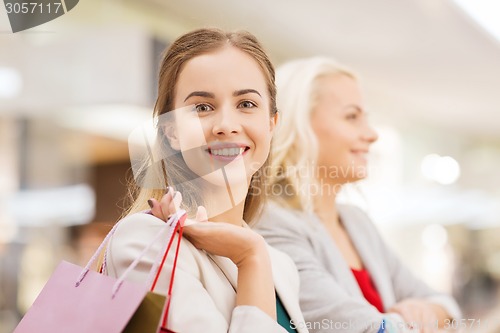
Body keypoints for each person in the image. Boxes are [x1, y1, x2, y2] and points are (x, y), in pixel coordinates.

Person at [103, 28, 307, 333]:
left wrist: (254, 254)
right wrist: (249, 259)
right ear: (171, 130)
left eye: (247, 104)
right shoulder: (145, 241)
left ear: (272, 124)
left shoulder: (280, 265)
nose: (226, 125)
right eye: (202, 107)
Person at [254, 57, 461, 333]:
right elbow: (359, 329)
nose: (372, 134)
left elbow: (449, 308)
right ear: (297, 125)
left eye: (366, 118)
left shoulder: (356, 221)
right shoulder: (270, 223)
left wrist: (428, 311)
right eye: (352, 117)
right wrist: (423, 320)